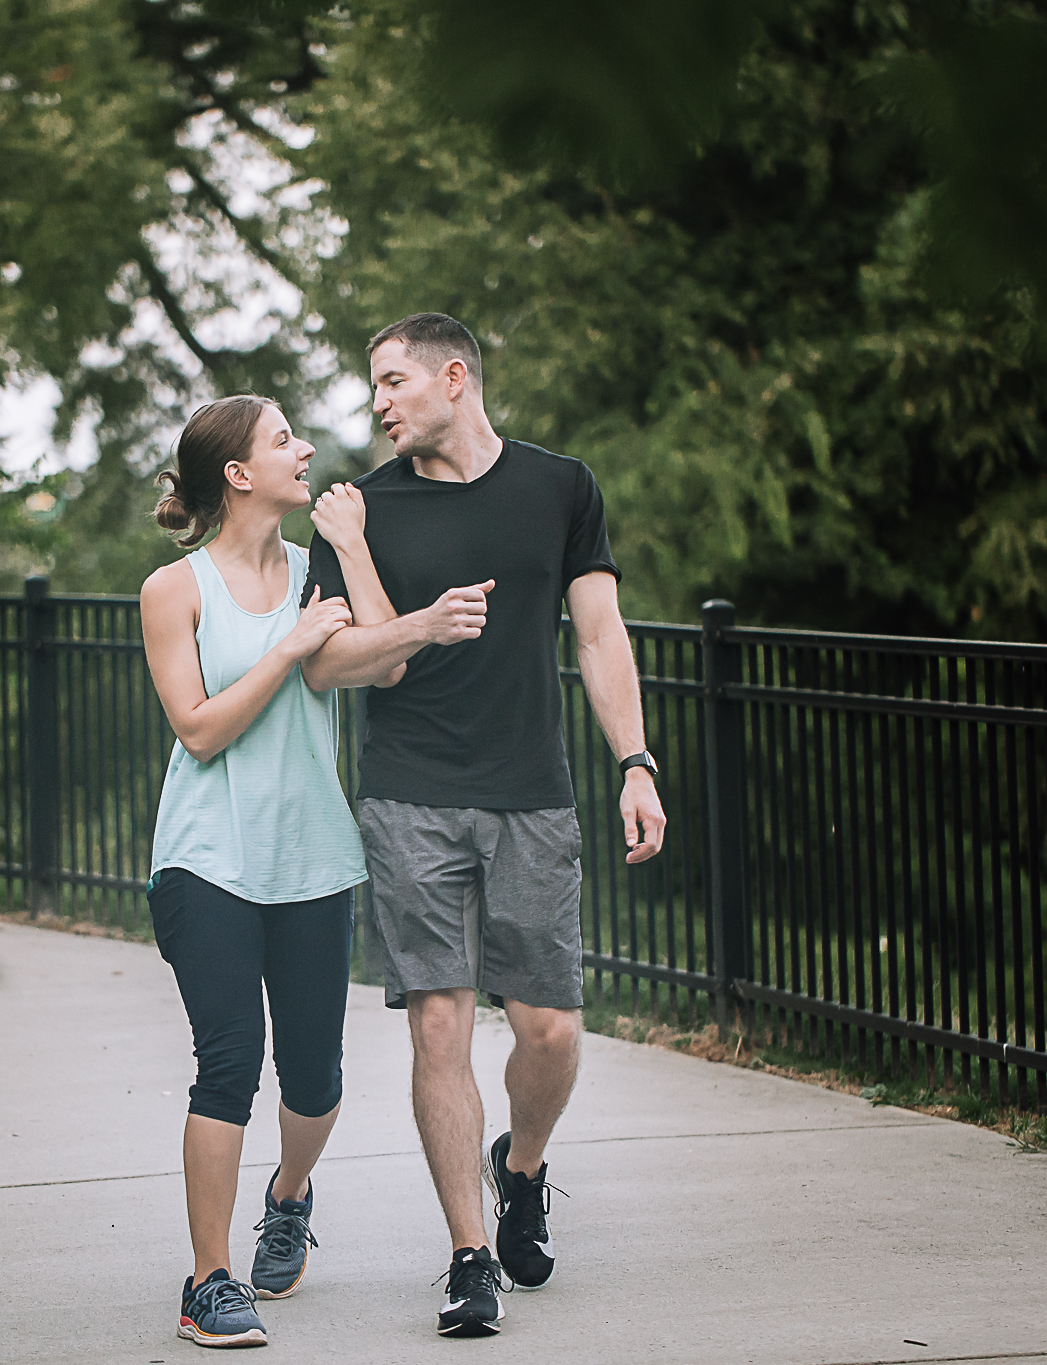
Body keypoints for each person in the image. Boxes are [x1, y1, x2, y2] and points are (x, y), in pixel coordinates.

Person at [297, 313, 667, 1339]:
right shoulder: (363, 511)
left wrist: (633, 762)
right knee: (438, 1019)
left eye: (391, 382)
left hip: (531, 792)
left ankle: (522, 1169)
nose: (376, 403)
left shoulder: (559, 488)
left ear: (451, 377)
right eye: (372, 387)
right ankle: (467, 1258)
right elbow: (326, 663)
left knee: (548, 1026)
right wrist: (408, 627)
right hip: (407, 791)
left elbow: (597, 635)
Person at [139, 394, 475, 1349]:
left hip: (313, 859)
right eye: (284, 438)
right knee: (229, 1060)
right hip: (205, 858)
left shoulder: (314, 571)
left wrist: (354, 544)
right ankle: (210, 1280)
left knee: (316, 1078)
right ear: (239, 474)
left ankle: (287, 1195)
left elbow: (388, 662)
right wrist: (288, 645)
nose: (308, 448)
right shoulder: (178, 589)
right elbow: (199, 729)